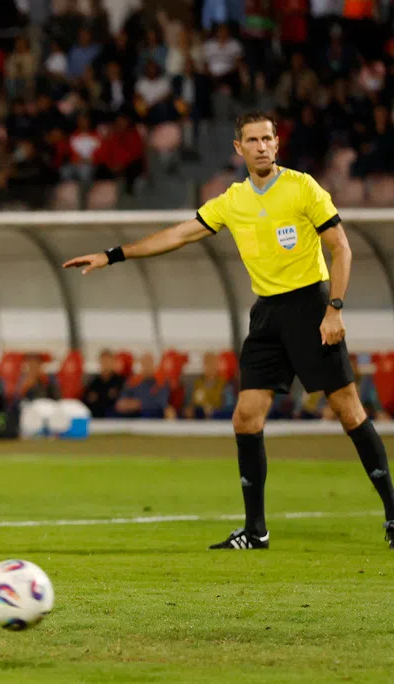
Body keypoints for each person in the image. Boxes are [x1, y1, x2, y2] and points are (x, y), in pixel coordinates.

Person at [65, 111, 394, 550]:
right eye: (252, 140)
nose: (261, 146)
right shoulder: (232, 200)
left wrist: (334, 308)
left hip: (310, 306)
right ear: (238, 149)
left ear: (277, 144)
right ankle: (256, 532)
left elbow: (342, 248)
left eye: (267, 139)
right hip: (267, 316)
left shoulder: (302, 187)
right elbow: (181, 234)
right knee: (245, 417)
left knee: (349, 412)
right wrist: (113, 254)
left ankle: (393, 515)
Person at [82, 349, 125, 418]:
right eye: (103, 362)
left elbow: (121, 403)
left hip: (116, 419)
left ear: (113, 362)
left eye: (108, 361)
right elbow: (86, 400)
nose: (106, 365)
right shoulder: (94, 383)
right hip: (96, 418)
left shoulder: (121, 382)